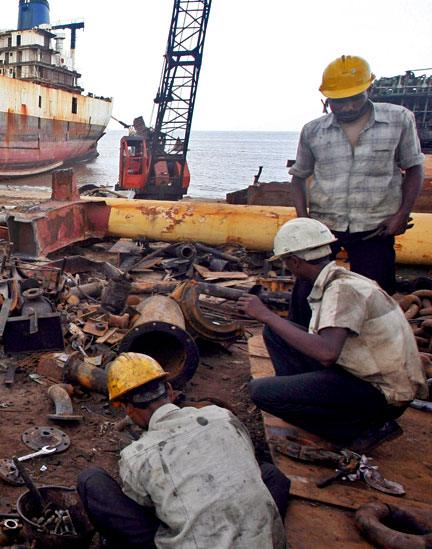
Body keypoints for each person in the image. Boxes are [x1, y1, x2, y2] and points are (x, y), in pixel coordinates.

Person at [244, 218, 427, 453]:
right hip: (362, 375)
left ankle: (359, 430)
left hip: (381, 394)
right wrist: (272, 322)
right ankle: (308, 403)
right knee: (276, 333)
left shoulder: (343, 290)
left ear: (295, 262)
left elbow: (327, 353)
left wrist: (266, 315)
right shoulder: (338, 280)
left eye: (286, 263)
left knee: (260, 392)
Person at [77, 353, 288, 549]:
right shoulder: (222, 417)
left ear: (127, 408)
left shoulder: (136, 455)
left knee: (91, 481)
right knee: (270, 474)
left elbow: (146, 508)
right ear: (169, 390)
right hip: (265, 542)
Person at [288, 55, 425, 326]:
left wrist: (401, 214)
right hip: (324, 227)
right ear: (327, 99)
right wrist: (304, 221)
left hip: (375, 227)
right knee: (305, 293)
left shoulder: (399, 120)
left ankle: (369, 354)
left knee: (376, 296)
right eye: (338, 100)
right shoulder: (313, 131)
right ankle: (299, 347)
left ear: (369, 90)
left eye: (354, 98)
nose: (347, 106)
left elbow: (414, 169)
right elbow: (298, 177)